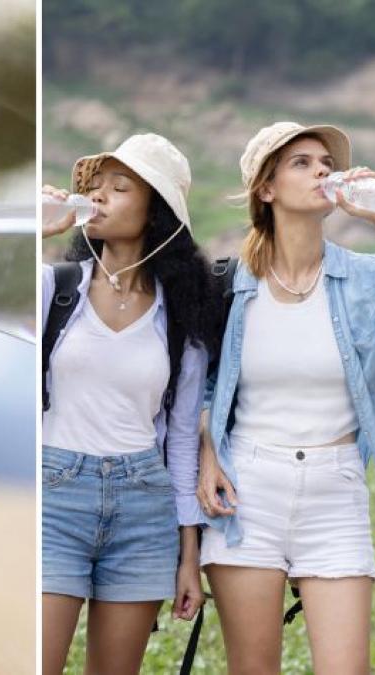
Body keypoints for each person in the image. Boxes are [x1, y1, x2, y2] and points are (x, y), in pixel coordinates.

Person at [196, 121, 375, 674]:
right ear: (266, 188)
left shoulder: (368, 277)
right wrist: (208, 450)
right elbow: (205, 387)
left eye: (326, 164)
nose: (322, 172)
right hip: (250, 490)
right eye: (302, 163)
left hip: (335, 491)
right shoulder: (232, 284)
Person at [39, 133, 222, 674]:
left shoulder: (180, 315)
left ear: (156, 213)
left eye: (119, 188)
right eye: (94, 188)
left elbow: (184, 437)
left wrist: (189, 555)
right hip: (53, 495)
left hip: (145, 507)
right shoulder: (55, 286)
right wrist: (35, 231)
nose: (97, 198)